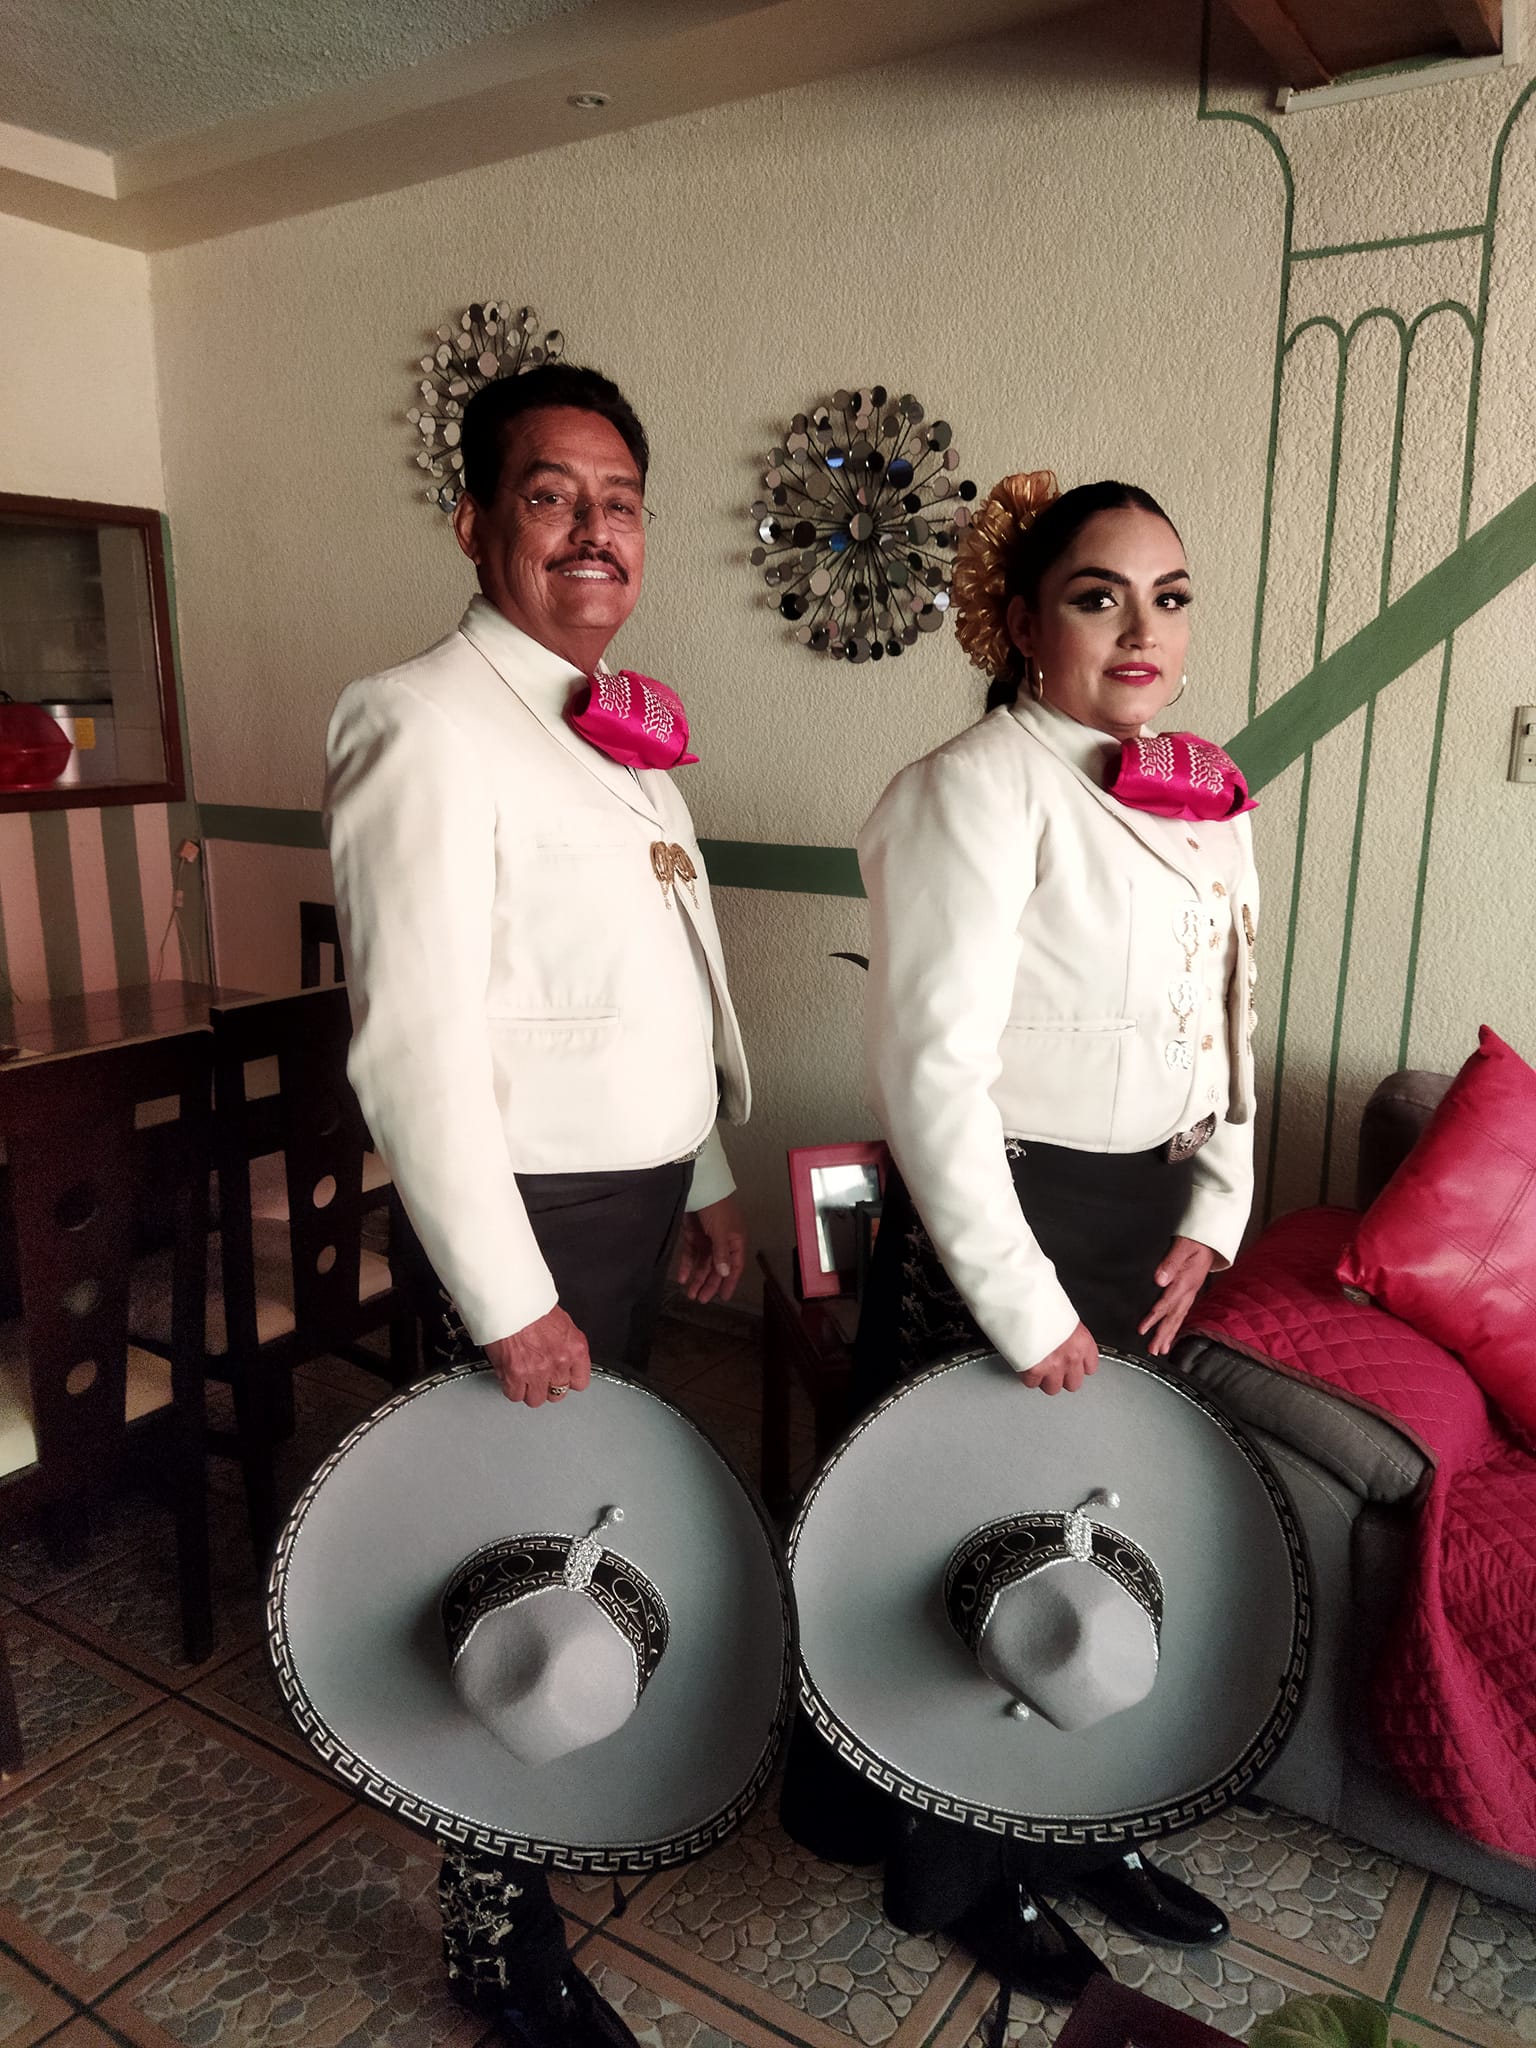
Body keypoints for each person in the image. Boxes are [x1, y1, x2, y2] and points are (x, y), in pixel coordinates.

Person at [782, 471, 1261, 2002]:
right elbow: (929, 1077)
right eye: (1098, 596)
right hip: (1008, 1225)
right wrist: (1022, 1299)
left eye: (1168, 597)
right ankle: (963, 1869)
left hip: (1146, 1223)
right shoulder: (972, 788)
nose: (1141, 629)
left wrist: (1220, 1206)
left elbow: (1234, 1016)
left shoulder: (1206, 791)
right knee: (972, 1551)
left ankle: (1081, 1825)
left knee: (1109, 1537)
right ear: (1021, 622)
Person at [325, 361, 751, 2047]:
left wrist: (704, 1177)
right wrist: (509, 1297)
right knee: (498, 1563)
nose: (593, 529)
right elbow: (413, 1048)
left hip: (633, 1206)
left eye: (619, 501)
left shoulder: (624, 731)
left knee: (585, 1540)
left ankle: (556, 1787)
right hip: (527, 1226)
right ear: (475, 522)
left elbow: (652, 986)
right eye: (551, 495)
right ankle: (495, 1922)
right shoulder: (421, 717)